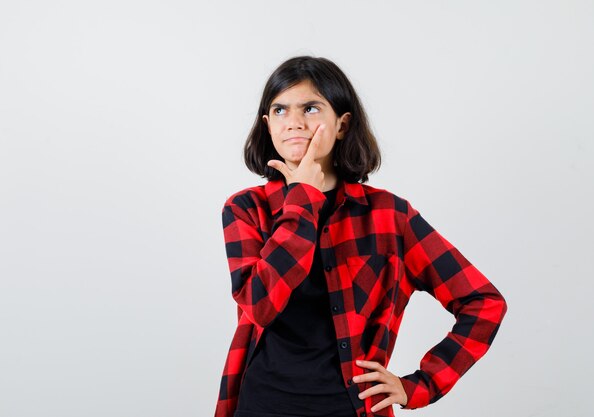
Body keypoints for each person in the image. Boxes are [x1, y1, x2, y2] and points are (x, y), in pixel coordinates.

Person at [214, 56, 507, 417]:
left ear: (342, 124)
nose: (293, 122)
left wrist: (420, 384)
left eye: (310, 108)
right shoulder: (246, 209)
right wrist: (303, 199)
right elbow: (260, 304)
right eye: (279, 110)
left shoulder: (390, 215)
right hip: (262, 405)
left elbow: (483, 303)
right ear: (267, 125)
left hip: (350, 409)